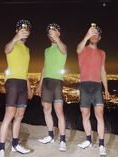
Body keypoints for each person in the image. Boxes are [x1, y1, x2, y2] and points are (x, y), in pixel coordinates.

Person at [0, 19, 33, 157]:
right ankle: (1, 149)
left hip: (23, 84)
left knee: (19, 116)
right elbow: (6, 49)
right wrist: (16, 38)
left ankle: (15, 145)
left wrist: (29, 87)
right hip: (12, 82)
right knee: (9, 115)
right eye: (22, 29)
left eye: (27, 30)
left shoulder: (27, 49)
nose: (25, 32)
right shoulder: (12, 44)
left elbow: (25, 70)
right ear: (17, 30)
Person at [76, 23, 110, 156]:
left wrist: (106, 88)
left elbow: (103, 71)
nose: (94, 36)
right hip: (84, 85)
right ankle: (88, 140)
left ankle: (101, 144)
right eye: (92, 34)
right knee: (85, 114)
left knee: (99, 115)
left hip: (97, 86)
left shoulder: (102, 53)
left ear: (100, 38)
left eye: (97, 34)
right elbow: (78, 49)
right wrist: (87, 35)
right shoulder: (83, 49)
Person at [37, 23, 67, 151]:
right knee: (46, 109)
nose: (51, 33)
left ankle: (63, 140)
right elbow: (44, 67)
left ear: (58, 33)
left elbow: (64, 50)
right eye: (49, 32)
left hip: (57, 82)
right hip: (46, 82)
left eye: (54, 31)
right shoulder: (46, 50)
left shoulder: (62, 46)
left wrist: (57, 38)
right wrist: (39, 84)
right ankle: (50, 135)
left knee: (59, 111)